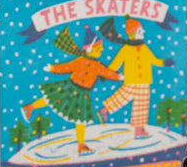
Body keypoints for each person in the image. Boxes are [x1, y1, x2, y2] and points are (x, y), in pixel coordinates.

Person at [23, 25, 120, 154]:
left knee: (80, 118)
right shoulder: (80, 61)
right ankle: (30, 107)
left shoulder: (97, 65)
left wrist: (118, 76)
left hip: (83, 94)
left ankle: (81, 145)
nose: (101, 50)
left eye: (101, 47)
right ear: (89, 48)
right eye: (98, 47)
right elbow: (66, 67)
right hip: (70, 87)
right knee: (53, 98)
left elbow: (107, 72)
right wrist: (53, 68)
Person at [98, 16, 173, 137]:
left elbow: (153, 60)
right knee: (121, 97)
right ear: (132, 34)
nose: (143, 32)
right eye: (140, 30)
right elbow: (116, 63)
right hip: (131, 80)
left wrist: (165, 62)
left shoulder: (144, 48)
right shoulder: (126, 49)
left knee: (142, 105)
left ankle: (139, 129)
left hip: (144, 80)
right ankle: (105, 109)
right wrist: (106, 74)